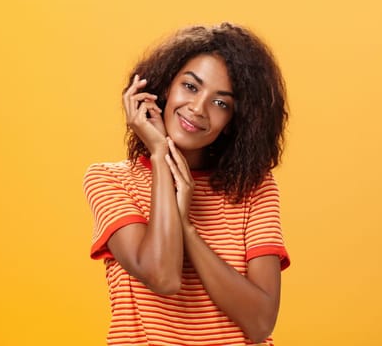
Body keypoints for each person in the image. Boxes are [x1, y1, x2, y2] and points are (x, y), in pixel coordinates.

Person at [83, 23, 291, 345]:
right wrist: (160, 154)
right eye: (191, 87)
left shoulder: (254, 187)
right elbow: (163, 276)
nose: (198, 108)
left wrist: (186, 227)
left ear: (235, 122)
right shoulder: (110, 180)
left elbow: (261, 322)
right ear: (165, 87)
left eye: (221, 103)